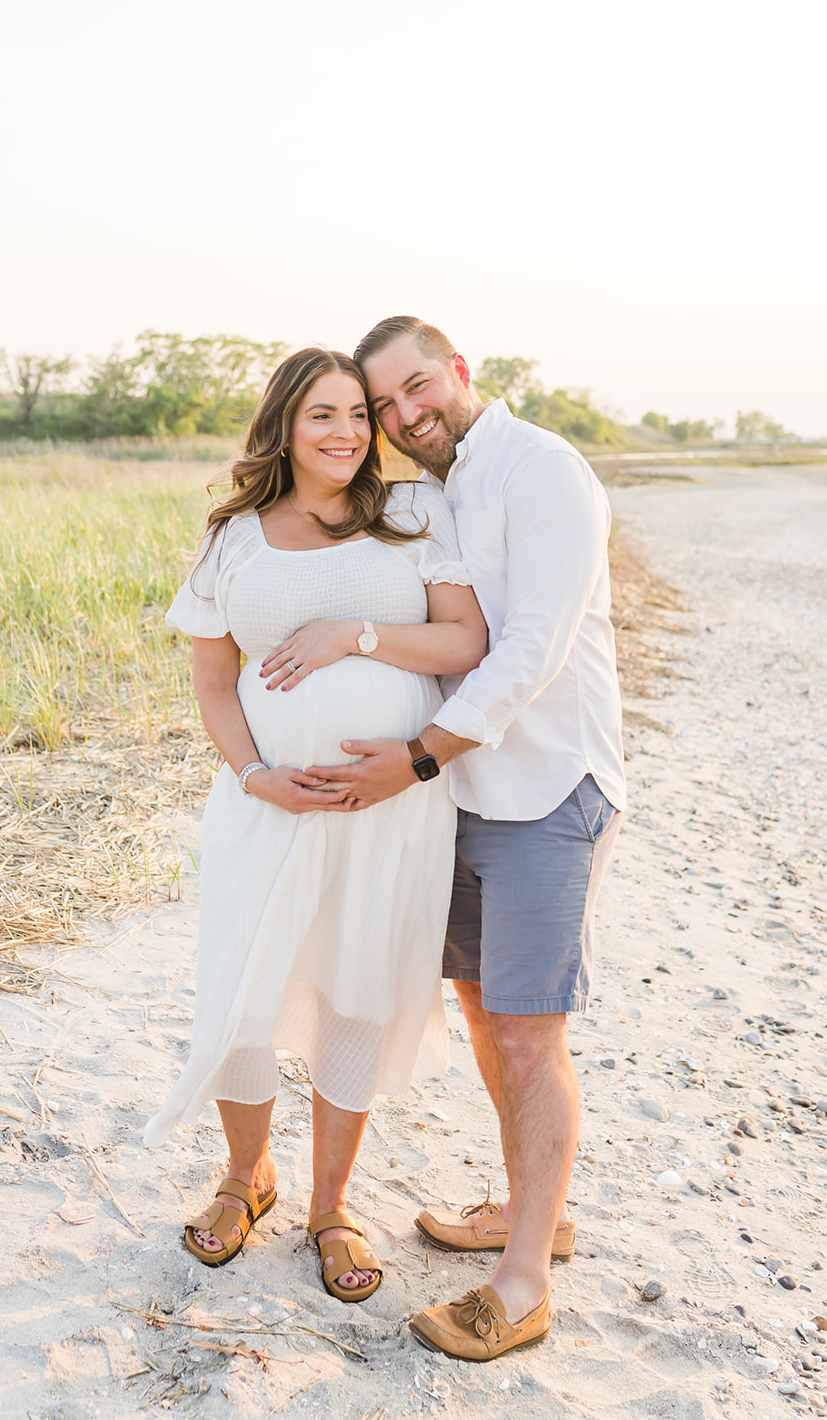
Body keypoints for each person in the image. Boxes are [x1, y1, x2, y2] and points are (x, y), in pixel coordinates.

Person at [306, 316, 625, 1358]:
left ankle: (522, 1281)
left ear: (459, 370)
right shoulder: (428, 493)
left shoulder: (543, 472)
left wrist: (419, 755)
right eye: (383, 404)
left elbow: (530, 647)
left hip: (544, 790)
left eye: (414, 389)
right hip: (463, 800)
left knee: (531, 1031)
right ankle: (536, 1208)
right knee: (490, 1019)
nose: (403, 416)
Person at [143, 347, 487, 1303]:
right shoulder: (236, 537)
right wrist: (256, 775)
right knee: (246, 981)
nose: (344, 433)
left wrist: (354, 634)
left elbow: (466, 640)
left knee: (355, 988)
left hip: (394, 809)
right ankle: (244, 1178)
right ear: (285, 427)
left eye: (355, 414)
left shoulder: (414, 515)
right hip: (268, 808)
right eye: (320, 415)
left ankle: (332, 1206)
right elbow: (214, 681)